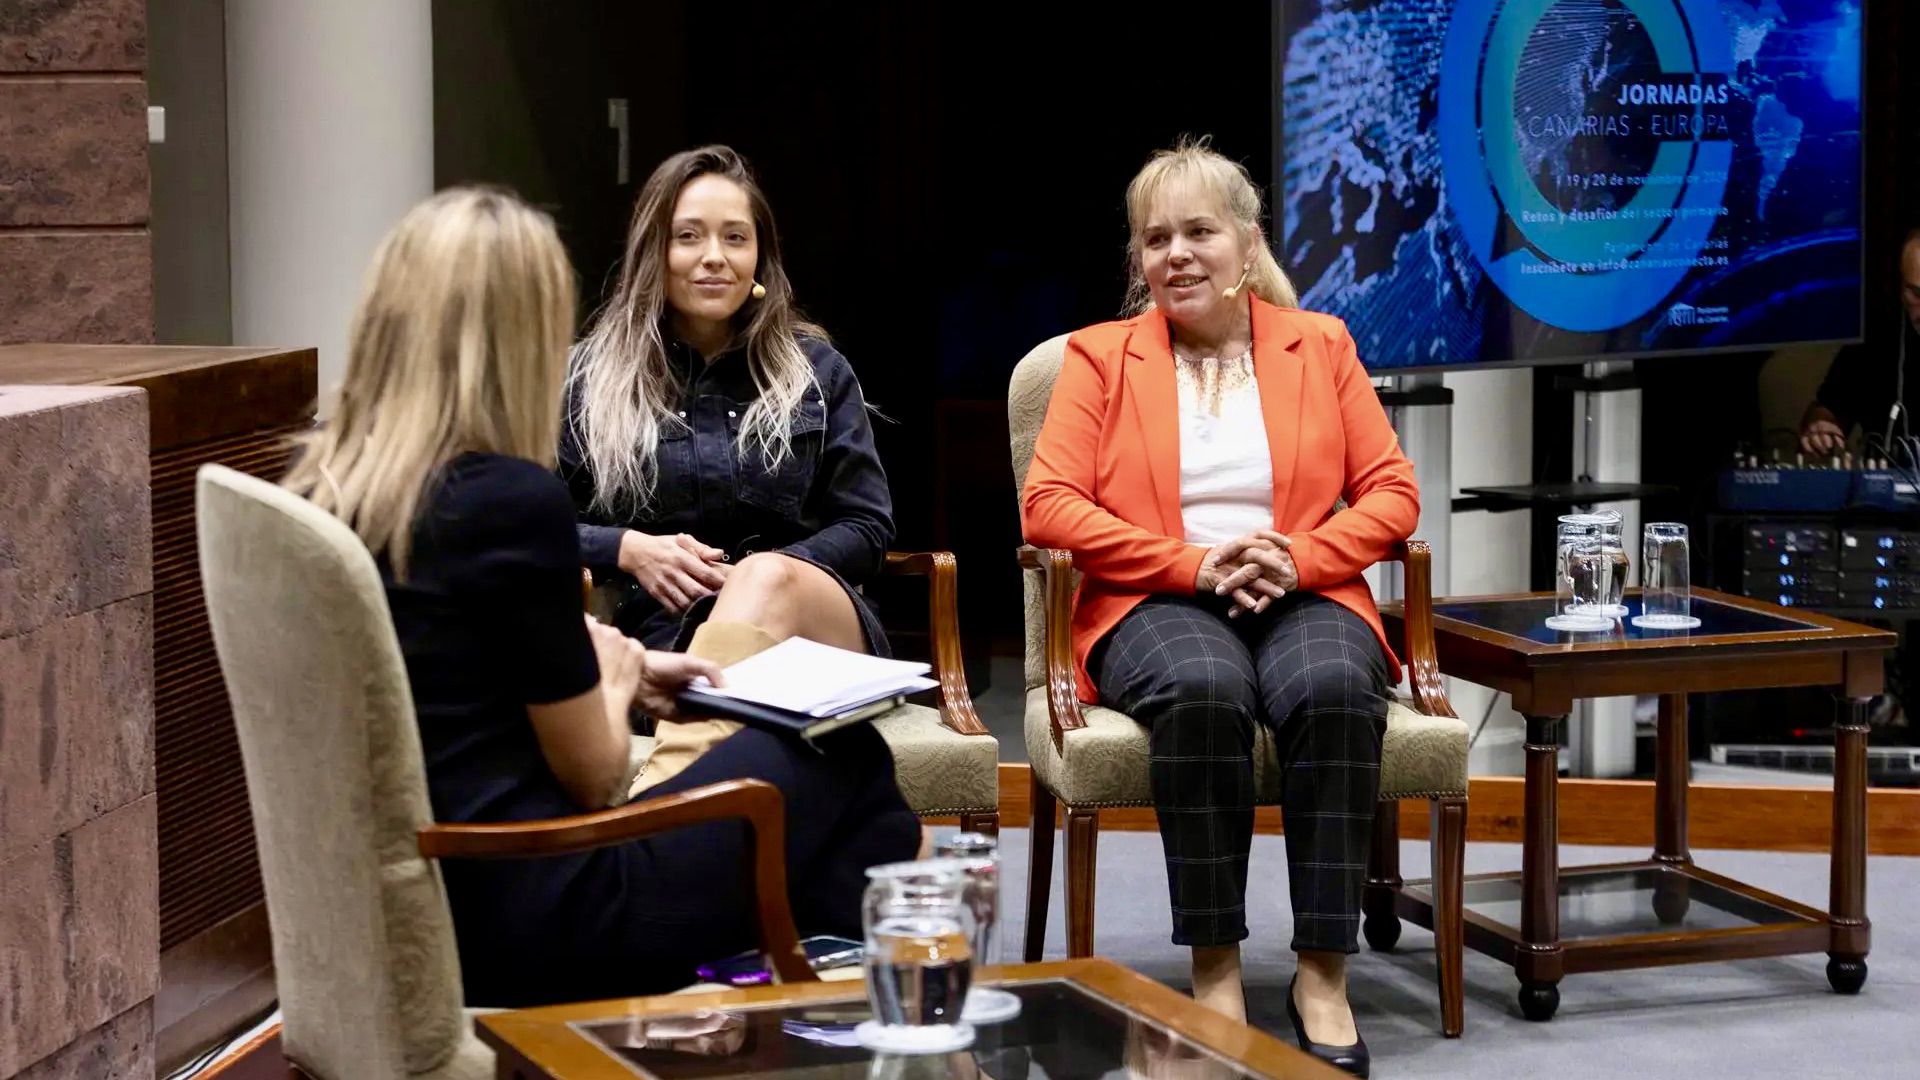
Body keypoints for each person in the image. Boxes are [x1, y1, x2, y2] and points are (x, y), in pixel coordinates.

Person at [283, 187, 918, 1007]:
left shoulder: (336, 490)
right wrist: (613, 684)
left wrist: (626, 664)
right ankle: (853, 1031)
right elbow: (596, 775)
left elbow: (459, 667)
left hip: (423, 899)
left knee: (819, 806)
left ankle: (785, 1020)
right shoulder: (508, 501)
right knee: (848, 755)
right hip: (547, 911)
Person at [1021, 140, 1417, 1078]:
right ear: (1137, 260)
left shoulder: (1319, 345)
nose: (1178, 255)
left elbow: (1393, 492)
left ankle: (1322, 971)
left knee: (1327, 686)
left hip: (1305, 587)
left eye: (1200, 231)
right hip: (1155, 595)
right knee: (1203, 685)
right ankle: (1215, 969)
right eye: (1156, 239)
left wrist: (1300, 555)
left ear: (1246, 242)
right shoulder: (1098, 359)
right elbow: (1049, 506)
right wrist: (1196, 565)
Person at [562, 144, 895, 790]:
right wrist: (628, 548)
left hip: (815, 632)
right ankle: (695, 819)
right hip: (662, 638)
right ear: (653, 255)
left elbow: (868, 527)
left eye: (735, 238)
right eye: (688, 237)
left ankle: (656, 807)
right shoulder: (588, 378)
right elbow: (537, 524)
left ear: (759, 260)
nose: (714, 256)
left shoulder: (817, 373)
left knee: (769, 578)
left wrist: (753, 581)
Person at [1800, 228, 1920, 457]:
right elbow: (1826, 410)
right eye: (1916, 294)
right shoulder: (1877, 337)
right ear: (1901, 284)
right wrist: (1821, 427)